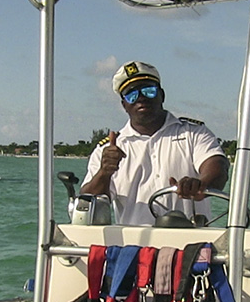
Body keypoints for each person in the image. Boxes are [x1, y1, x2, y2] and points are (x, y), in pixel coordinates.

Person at [79, 60, 229, 226]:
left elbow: (218, 167)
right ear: (124, 105)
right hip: (134, 248)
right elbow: (88, 201)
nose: (141, 98)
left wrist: (201, 185)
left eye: (148, 91)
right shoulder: (106, 151)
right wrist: (104, 172)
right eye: (132, 95)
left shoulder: (194, 133)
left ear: (162, 95)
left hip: (190, 245)